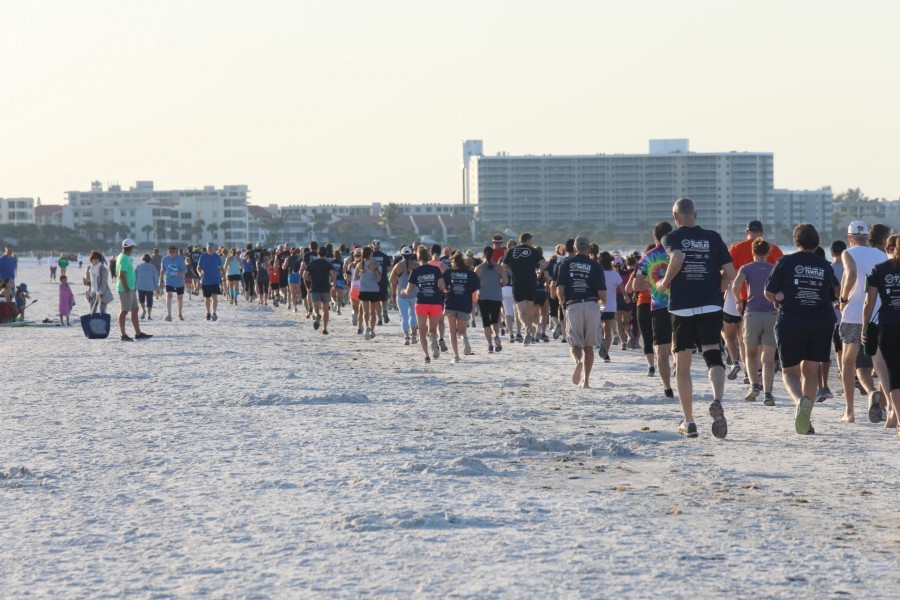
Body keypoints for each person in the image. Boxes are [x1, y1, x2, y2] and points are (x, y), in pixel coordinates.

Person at [657, 198, 735, 439]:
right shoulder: (713, 237)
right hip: (710, 304)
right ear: (696, 214)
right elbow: (731, 273)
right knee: (713, 354)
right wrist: (719, 283)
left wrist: (665, 282)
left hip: (682, 307)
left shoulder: (671, 237)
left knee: (683, 364)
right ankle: (717, 400)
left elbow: (678, 258)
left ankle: (689, 421)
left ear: (675, 216)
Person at [765, 224, 839, 434]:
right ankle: (806, 419)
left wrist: (779, 298)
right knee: (811, 371)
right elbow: (835, 292)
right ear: (816, 243)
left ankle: (800, 401)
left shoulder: (785, 261)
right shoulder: (824, 265)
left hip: (792, 319)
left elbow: (768, 292)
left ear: (796, 242)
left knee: (789, 371)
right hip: (821, 320)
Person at [837, 221, 888, 423]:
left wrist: (843, 299)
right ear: (867, 237)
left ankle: (849, 412)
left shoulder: (848, 253)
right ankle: (884, 407)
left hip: (853, 314)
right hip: (877, 313)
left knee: (848, 362)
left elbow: (851, 275)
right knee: (880, 363)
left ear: (849, 238)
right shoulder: (881, 255)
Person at [726, 220, 784, 381]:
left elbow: (729, 272)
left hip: (745, 300)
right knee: (765, 341)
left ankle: (748, 371)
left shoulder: (736, 248)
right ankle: (759, 371)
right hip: (768, 301)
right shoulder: (773, 248)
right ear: (762, 232)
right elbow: (781, 272)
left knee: (744, 338)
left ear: (747, 232)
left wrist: (732, 296)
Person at [556, 236, 607, 389]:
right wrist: (602, 303)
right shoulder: (595, 266)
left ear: (574, 248)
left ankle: (578, 362)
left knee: (575, 344)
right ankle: (586, 381)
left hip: (574, 305)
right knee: (589, 347)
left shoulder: (566, 263)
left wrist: (561, 301)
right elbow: (602, 292)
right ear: (589, 249)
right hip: (591, 305)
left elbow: (560, 289)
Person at [732, 238, 778, 405]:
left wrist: (738, 301)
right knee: (768, 359)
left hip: (752, 314)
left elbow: (736, 285)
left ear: (753, 252)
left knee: (751, 354)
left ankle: (753, 385)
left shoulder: (747, 268)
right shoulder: (774, 268)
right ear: (768, 252)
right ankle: (768, 393)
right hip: (772, 315)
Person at [862, 236, 900, 435]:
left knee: (893, 374)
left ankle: (897, 418)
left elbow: (869, 303)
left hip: (889, 324)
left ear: (890, 248)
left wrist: (865, 327)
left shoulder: (880, 269)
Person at [403, 246, 447, 363]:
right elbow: (443, 287)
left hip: (422, 302)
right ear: (429, 257)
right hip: (436, 302)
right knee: (432, 330)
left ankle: (427, 356)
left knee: (422, 332)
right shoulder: (436, 270)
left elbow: (408, 291)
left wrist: (402, 291)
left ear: (418, 258)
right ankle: (434, 342)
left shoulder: (415, 271)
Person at [502, 232, 546, 345]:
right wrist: (539, 274)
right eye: (531, 240)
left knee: (520, 310)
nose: (532, 242)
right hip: (531, 282)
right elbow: (543, 263)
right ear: (527, 240)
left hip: (518, 283)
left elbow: (504, 266)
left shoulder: (512, 251)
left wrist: (511, 272)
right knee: (530, 307)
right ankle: (528, 332)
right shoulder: (533, 250)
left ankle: (527, 327)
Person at [443, 252, 481, 362]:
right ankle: (464, 339)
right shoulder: (471, 274)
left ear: (453, 262)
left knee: (452, 331)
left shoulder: (449, 272)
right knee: (461, 331)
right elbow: (475, 290)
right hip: (465, 304)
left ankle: (456, 356)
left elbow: (443, 287)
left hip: (451, 303)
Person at [117, 239, 152, 341]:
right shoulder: (124, 258)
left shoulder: (124, 257)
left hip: (130, 288)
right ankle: (123, 335)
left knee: (135, 309)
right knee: (124, 311)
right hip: (125, 289)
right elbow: (121, 274)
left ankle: (138, 333)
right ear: (131, 248)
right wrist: (126, 287)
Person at [475, 245, 508, 353]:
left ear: (483, 254)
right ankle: (497, 336)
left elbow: (474, 283)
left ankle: (490, 345)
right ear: (493, 255)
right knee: (495, 320)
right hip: (496, 297)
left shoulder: (479, 268)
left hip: (483, 296)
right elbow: (506, 281)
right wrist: (500, 285)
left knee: (486, 322)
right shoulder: (499, 267)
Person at [390, 246, 420, 345]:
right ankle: (414, 334)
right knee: (413, 315)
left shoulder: (398, 265)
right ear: (411, 254)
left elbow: (391, 280)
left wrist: (399, 278)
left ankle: (406, 337)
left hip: (402, 294)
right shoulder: (416, 265)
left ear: (401, 254)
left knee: (404, 317)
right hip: (414, 293)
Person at [304, 246, 336, 334]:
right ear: (326, 254)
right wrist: (333, 284)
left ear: (318, 254)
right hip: (325, 289)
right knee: (326, 310)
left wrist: (311, 279)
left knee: (315, 307)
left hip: (314, 288)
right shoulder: (328, 264)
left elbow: (304, 275)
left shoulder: (312, 263)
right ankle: (325, 329)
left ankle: (317, 315)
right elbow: (333, 274)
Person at [355, 246, 382, 340]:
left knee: (365, 312)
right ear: (370, 254)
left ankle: (366, 326)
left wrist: (362, 276)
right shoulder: (375, 264)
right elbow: (379, 278)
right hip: (374, 290)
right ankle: (372, 331)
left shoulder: (359, 265)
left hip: (364, 290)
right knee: (373, 312)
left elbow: (355, 278)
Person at [198, 242, 224, 321]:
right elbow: (198, 267)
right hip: (205, 280)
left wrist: (223, 275)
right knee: (207, 298)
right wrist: (199, 273)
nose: (210, 248)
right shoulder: (203, 256)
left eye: (211, 247)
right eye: (209, 247)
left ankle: (214, 313)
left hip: (215, 280)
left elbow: (221, 267)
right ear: (206, 248)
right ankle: (208, 312)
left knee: (214, 297)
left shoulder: (217, 257)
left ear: (214, 248)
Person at [159, 246, 186, 321]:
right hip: (169, 280)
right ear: (167, 252)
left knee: (179, 297)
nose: (172, 253)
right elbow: (162, 270)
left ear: (176, 252)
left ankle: (180, 314)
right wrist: (160, 281)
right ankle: (169, 314)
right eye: (170, 252)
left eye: (173, 252)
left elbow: (185, 270)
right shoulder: (164, 259)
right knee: (169, 295)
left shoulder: (180, 258)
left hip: (179, 281)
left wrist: (180, 273)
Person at [135, 253, 160, 320]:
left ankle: (143, 310)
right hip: (150, 286)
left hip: (140, 285)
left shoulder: (139, 266)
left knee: (141, 300)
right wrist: (156, 287)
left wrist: (134, 286)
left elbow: (135, 276)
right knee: (149, 301)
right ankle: (149, 315)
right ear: (150, 259)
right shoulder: (152, 267)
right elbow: (156, 277)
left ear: (142, 259)